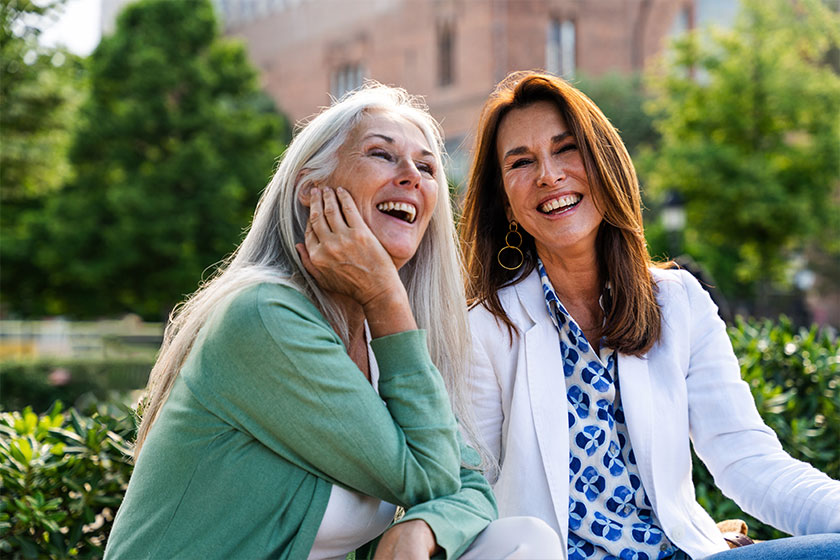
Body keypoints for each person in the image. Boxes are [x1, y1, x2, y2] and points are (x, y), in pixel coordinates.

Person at [104, 83, 563, 559]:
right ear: (312, 191)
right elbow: (432, 476)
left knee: (527, 541)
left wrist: (423, 529)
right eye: (382, 155)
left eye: (426, 167)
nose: (411, 176)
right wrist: (386, 294)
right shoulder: (264, 317)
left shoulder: (376, 336)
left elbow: (467, 485)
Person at [459, 71, 840, 560]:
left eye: (567, 148)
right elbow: (472, 496)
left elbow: (747, 459)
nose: (549, 175)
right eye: (521, 161)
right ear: (507, 204)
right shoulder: (486, 327)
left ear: (603, 164)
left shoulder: (678, 301)